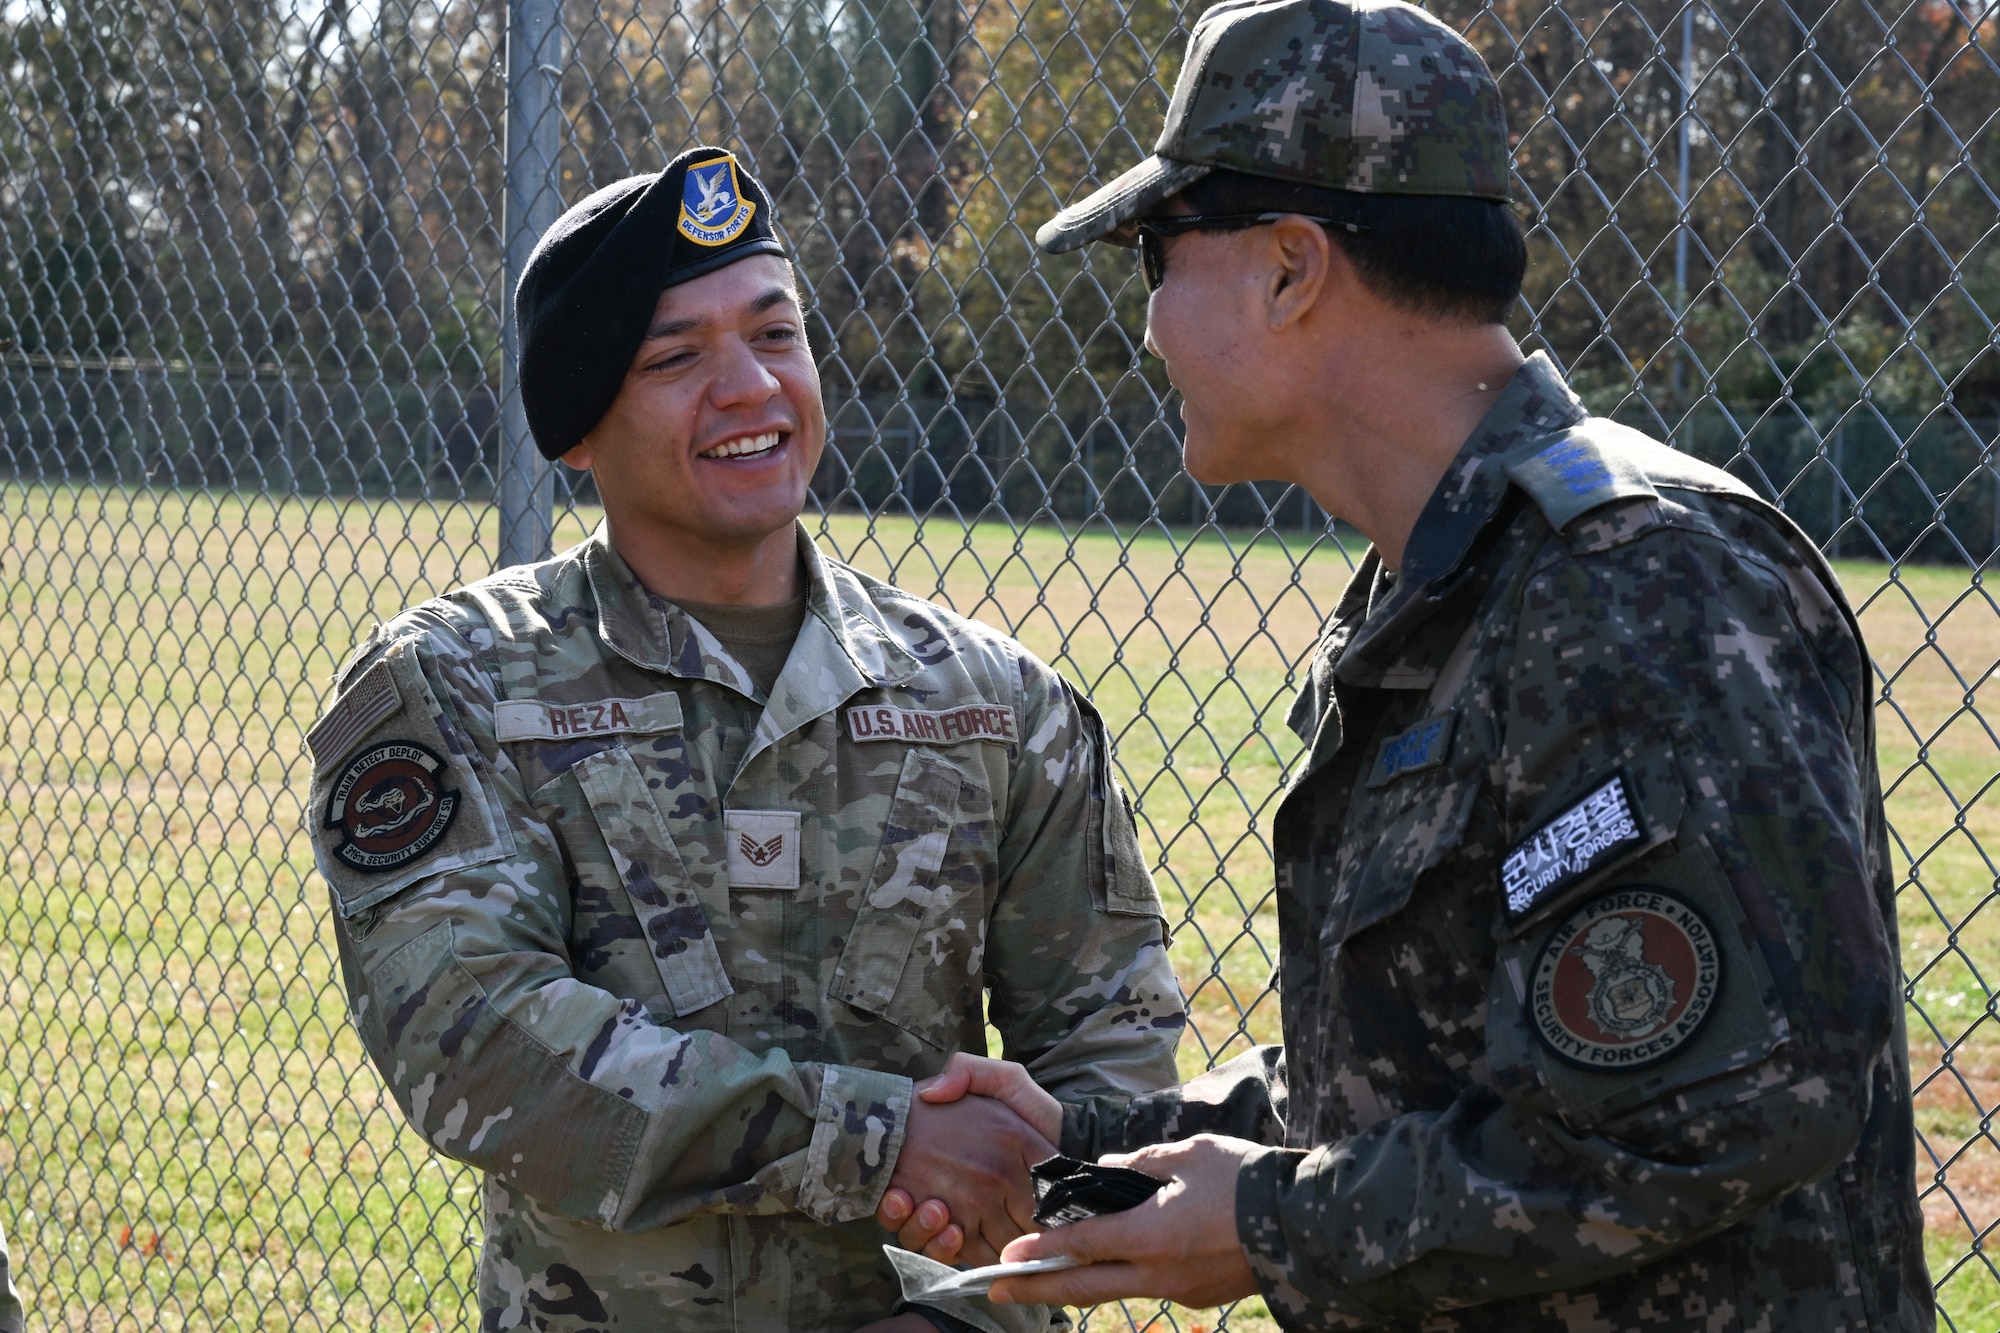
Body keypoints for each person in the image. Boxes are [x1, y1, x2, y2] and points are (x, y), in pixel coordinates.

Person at [878, 1, 1933, 1328]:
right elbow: (1434, 1077)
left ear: (1289, 267)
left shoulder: (1635, 583)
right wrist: (1075, 1157)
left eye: (1159, 254)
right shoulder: (1443, 589)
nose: (1147, 325)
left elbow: (1713, 1115)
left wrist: (1266, 1226)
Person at [302, 145, 1185, 1333]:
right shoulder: (459, 683)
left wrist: (979, 1308)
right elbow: (477, 1041)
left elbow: (1113, 1067)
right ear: (574, 428)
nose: (750, 390)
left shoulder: (994, 703)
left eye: (774, 336)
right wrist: (875, 1142)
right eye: (676, 357)